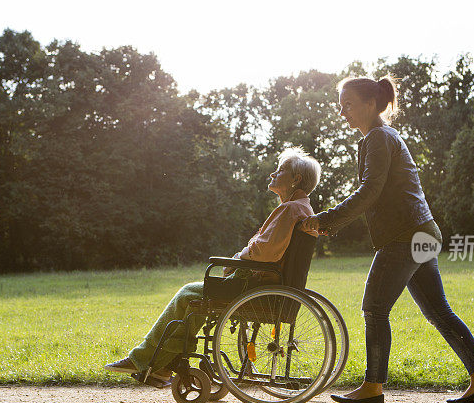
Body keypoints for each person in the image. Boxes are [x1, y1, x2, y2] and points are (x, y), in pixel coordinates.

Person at [302, 75, 474, 403]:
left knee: (375, 308)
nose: (342, 112)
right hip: (423, 231)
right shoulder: (383, 136)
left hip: (404, 236)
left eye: (348, 105)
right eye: (340, 106)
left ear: (371, 104)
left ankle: (373, 386)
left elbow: (370, 192)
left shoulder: (378, 137)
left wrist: (326, 220)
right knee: (438, 310)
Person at [105, 147, 322, 385]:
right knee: (193, 300)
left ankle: (143, 359)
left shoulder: (291, 209)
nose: (272, 174)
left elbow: (264, 252)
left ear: (296, 179)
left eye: (279, 170)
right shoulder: (301, 209)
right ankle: (164, 366)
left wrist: (239, 256)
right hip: (265, 284)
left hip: (254, 286)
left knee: (187, 294)